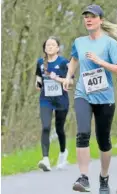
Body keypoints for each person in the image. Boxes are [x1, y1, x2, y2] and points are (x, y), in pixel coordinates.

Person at [63, 4, 117, 193]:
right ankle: (83, 177)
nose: (88, 19)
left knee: (103, 140)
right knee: (82, 133)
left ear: (101, 20)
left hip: (105, 96)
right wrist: (69, 76)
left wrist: (100, 62)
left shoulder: (110, 44)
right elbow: (74, 59)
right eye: (85, 17)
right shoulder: (79, 42)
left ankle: (104, 178)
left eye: (92, 16)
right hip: (83, 94)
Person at [35, 36, 72, 171]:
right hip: (46, 99)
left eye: (52, 45)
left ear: (57, 48)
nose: (49, 47)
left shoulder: (63, 62)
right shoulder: (40, 62)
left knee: (59, 129)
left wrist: (57, 79)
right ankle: (45, 159)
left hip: (61, 100)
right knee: (45, 127)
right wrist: (38, 84)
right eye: (47, 45)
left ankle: (63, 152)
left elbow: (71, 82)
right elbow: (38, 78)